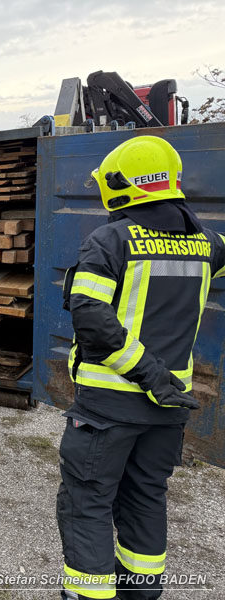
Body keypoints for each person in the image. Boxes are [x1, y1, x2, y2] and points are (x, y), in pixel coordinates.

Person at [57, 135, 225, 600]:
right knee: (145, 498)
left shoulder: (109, 240)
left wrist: (145, 373)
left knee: (87, 502)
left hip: (110, 405)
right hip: (169, 408)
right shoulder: (207, 243)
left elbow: (90, 315)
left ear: (122, 184)